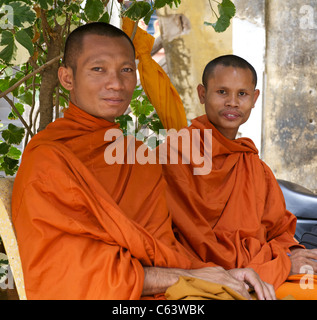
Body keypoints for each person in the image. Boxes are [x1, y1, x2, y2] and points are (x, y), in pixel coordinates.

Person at [11, 22, 274, 300]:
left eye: (126, 70)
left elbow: (164, 248)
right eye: (98, 69)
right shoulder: (49, 158)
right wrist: (189, 275)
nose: (116, 83)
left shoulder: (133, 154)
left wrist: (216, 272)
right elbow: (71, 274)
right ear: (67, 78)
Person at [155, 54, 317, 300]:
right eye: (222, 91)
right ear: (202, 94)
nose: (232, 102)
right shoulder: (172, 156)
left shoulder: (252, 163)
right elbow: (161, 238)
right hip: (202, 276)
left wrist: (289, 255)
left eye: (242, 94)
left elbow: (278, 228)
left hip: (259, 271)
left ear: (254, 98)